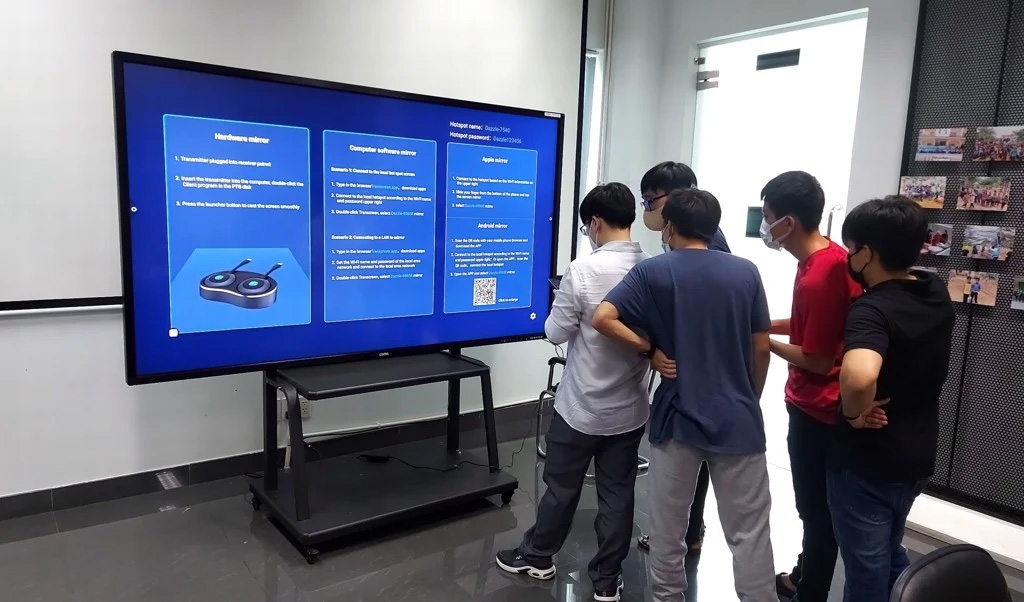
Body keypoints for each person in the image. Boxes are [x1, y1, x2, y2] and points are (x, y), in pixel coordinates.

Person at [593, 188, 776, 602]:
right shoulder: (745, 272)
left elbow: (603, 317)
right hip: (738, 420)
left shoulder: (653, 272)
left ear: (670, 226)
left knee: (668, 529)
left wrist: (649, 351)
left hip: (677, 416)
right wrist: (749, 396)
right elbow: (761, 346)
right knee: (749, 534)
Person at [496, 183, 651, 602]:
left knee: (562, 487)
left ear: (595, 223)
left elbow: (554, 332)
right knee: (617, 494)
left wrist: (560, 303)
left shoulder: (582, 271)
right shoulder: (652, 269)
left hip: (581, 408)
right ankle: (607, 581)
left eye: (586, 228)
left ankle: (538, 556)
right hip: (630, 410)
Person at [831, 195, 954, 602]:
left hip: (871, 461)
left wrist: (854, 414)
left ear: (867, 253)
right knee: (888, 552)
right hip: (917, 452)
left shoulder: (873, 309)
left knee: (866, 570)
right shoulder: (935, 292)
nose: (849, 257)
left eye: (851, 248)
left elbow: (860, 375)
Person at [759, 172, 861, 602]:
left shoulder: (822, 274)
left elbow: (817, 359)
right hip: (816, 404)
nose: (764, 226)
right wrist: (764, 324)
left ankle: (810, 591)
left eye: (767, 217)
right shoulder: (825, 259)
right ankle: (803, 575)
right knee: (818, 509)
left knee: (816, 511)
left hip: (819, 409)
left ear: (789, 221)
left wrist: (764, 342)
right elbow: (810, 327)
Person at [635, 160, 731, 555]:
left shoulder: (710, 247)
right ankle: (687, 531)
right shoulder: (681, 238)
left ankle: (680, 535)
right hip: (692, 365)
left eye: (650, 200)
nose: (647, 209)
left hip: (699, 368)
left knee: (689, 455)